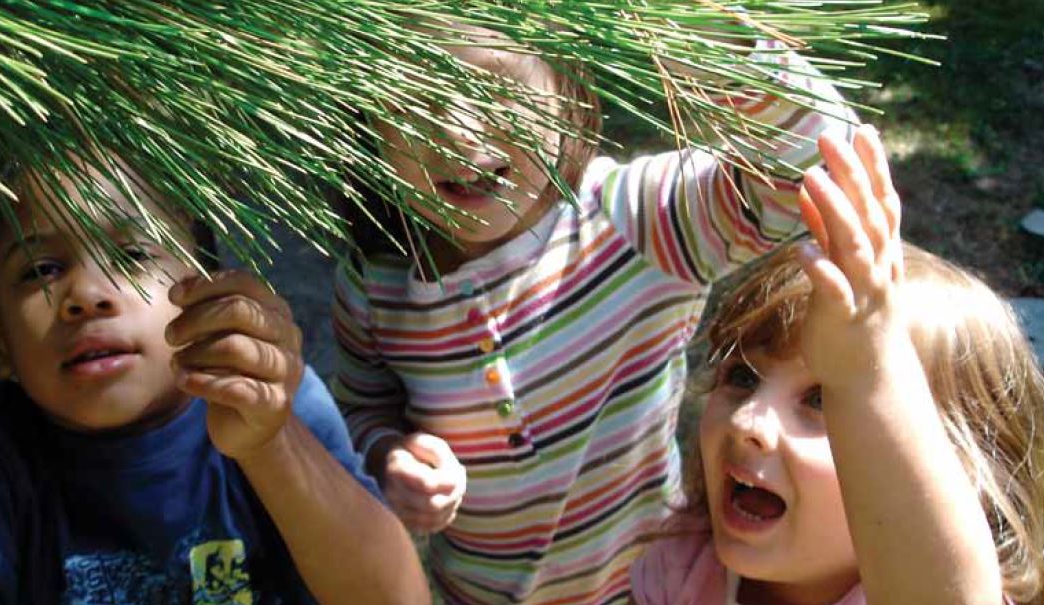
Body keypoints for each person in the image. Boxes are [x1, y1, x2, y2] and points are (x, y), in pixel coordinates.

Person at [331, 17, 860, 604]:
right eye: (413, 102)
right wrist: (388, 454)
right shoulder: (375, 284)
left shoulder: (636, 220)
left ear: (567, 84)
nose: (457, 133)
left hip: (647, 590)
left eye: (494, 89)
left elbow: (816, 171)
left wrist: (712, 35)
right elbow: (362, 407)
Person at [0, 156, 431, 604]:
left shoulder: (276, 403)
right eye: (41, 270)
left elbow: (396, 597)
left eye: (132, 255)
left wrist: (272, 445)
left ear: (205, 290)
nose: (87, 294)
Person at [631, 128, 1044, 604]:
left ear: (960, 475)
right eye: (743, 378)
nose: (749, 422)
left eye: (822, 398)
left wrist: (871, 367)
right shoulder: (684, 564)